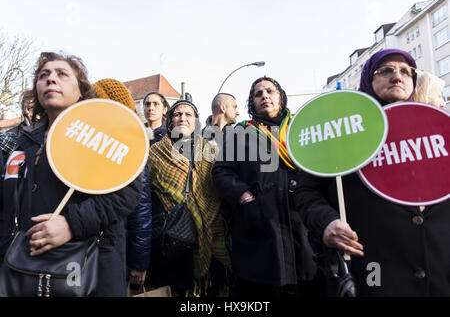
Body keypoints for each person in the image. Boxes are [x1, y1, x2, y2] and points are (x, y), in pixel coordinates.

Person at [299, 48, 450, 296]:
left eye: (406, 72)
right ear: (367, 80)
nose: (397, 77)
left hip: (437, 268)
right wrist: (326, 222)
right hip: (375, 270)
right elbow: (306, 192)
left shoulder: (436, 128)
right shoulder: (339, 133)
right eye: (386, 70)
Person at [0, 52, 142, 296]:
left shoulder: (104, 137)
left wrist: (71, 224)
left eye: (62, 74)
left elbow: (127, 192)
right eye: (43, 75)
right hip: (23, 272)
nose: (51, 79)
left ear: (81, 91)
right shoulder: (22, 144)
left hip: (92, 273)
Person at [212, 77, 321, 297]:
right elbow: (221, 171)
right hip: (259, 227)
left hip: (301, 225)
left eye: (270, 91)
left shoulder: (300, 129)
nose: (264, 96)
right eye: (258, 94)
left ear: (280, 96)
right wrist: (243, 196)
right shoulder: (241, 133)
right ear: (252, 102)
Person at [147, 99, 231, 296]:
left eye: (188, 114)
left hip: (210, 234)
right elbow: (144, 198)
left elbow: (219, 189)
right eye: (177, 114)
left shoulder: (211, 151)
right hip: (172, 238)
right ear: (170, 120)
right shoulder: (155, 153)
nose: (182, 118)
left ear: (196, 121)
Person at [92, 78, 152, 290]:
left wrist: (138, 261)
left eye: (96, 100)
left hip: (115, 249)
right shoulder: (84, 139)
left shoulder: (130, 146)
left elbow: (141, 208)